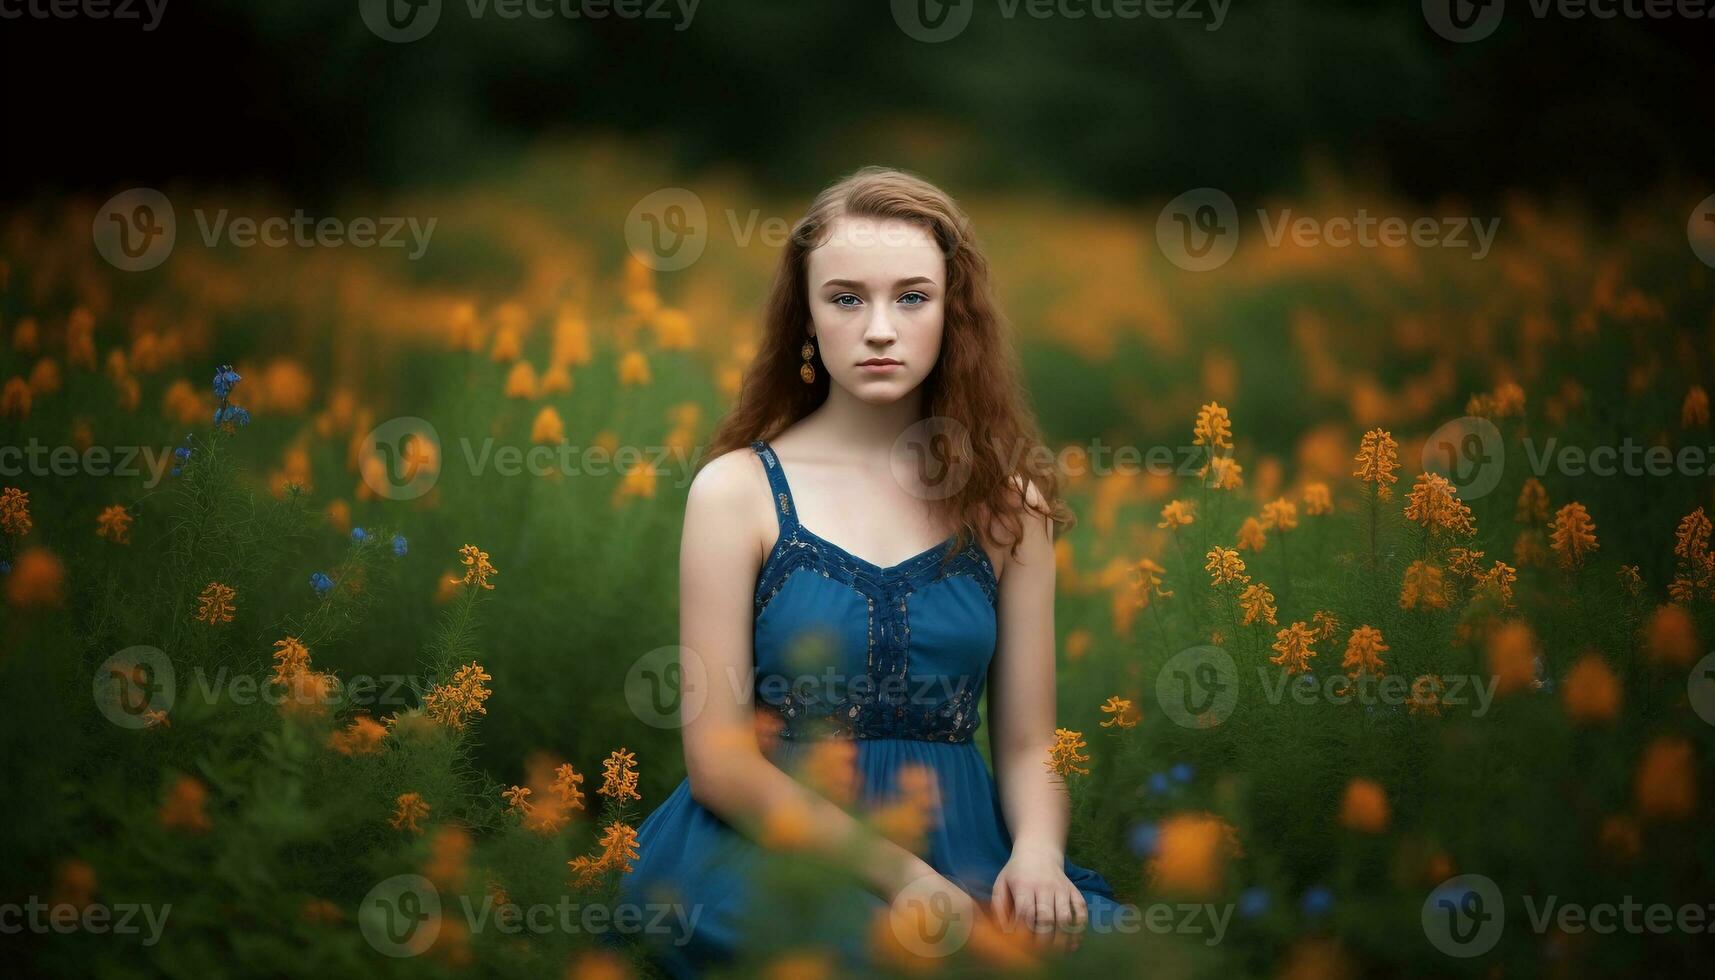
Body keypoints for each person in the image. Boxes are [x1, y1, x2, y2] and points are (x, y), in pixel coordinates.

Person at [617, 165, 1122, 976]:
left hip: (965, 846)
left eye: (912, 297)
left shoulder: (1007, 506)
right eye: (846, 298)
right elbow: (718, 760)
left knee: (1112, 956)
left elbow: (1029, 742)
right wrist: (901, 878)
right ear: (805, 320)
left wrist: (1035, 854)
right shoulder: (737, 493)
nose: (879, 328)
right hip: (770, 848)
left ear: (953, 316)